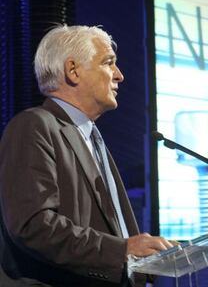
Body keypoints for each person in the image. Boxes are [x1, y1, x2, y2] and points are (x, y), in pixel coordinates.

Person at [0, 25, 173, 287]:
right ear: (73, 70)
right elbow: (34, 226)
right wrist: (122, 249)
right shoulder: (34, 126)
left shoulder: (92, 138)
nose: (119, 75)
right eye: (109, 63)